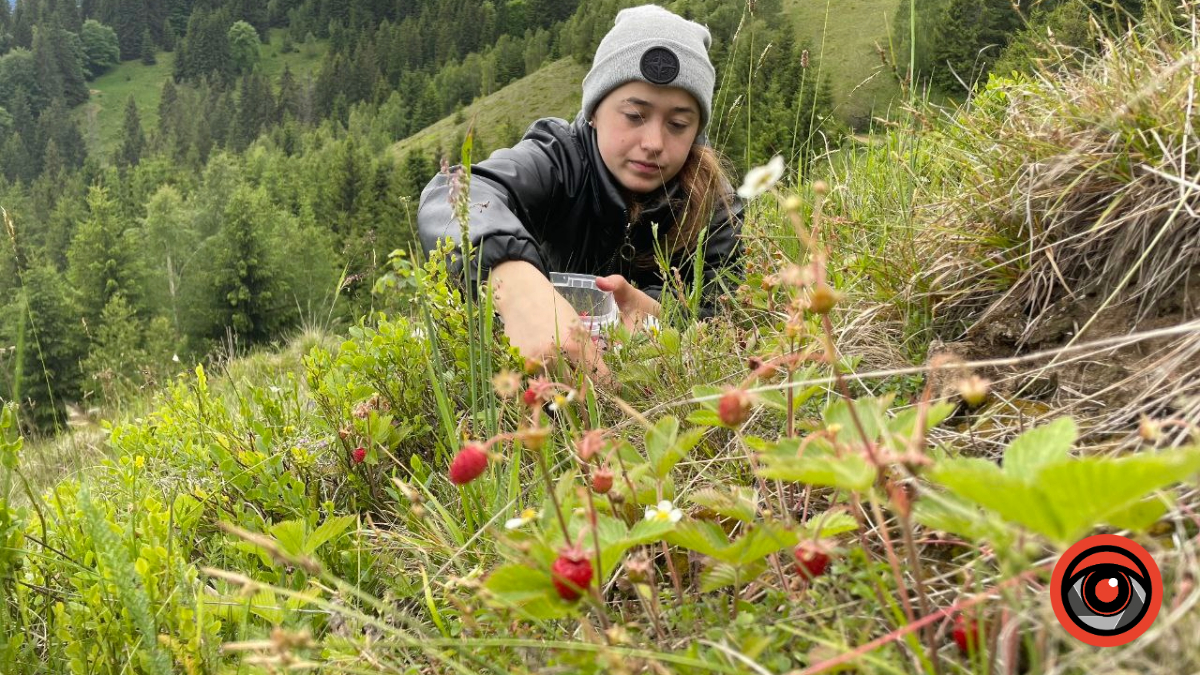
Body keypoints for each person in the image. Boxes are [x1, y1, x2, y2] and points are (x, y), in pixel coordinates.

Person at [417, 4, 743, 380]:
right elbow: (453, 193)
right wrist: (516, 284)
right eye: (634, 116)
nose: (653, 142)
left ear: (697, 132)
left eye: (678, 123)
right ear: (594, 110)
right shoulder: (556, 159)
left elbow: (724, 311)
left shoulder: (716, 207)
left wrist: (664, 314)